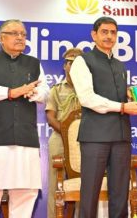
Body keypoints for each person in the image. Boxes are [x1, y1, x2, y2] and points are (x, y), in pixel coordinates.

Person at [0, 19, 49, 218]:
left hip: (24, 137)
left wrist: (35, 94)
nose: (20, 38)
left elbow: (45, 91)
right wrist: (10, 92)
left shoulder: (33, 63)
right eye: (15, 33)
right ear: (1, 37)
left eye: (23, 34)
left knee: (25, 192)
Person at [69, 16, 137, 218]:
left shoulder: (120, 65)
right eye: (104, 31)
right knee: (90, 193)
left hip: (121, 136)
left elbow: (115, 97)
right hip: (95, 137)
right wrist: (122, 106)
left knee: (120, 193)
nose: (109, 36)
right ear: (94, 35)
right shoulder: (82, 61)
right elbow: (87, 98)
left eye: (113, 32)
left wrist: (130, 96)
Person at [45, 48, 83, 218]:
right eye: (70, 63)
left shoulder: (90, 89)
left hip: (85, 141)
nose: (73, 66)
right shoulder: (56, 90)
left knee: (85, 184)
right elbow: (50, 117)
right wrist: (67, 134)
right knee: (55, 184)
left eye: (77, 64)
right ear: (65, 66)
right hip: (60, 138)